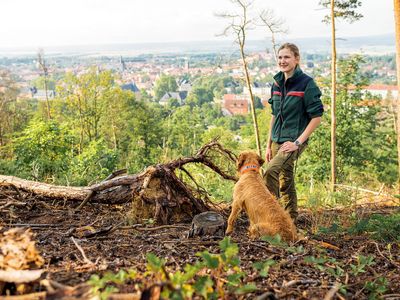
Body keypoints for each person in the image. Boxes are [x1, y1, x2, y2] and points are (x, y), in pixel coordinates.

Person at [264, 43, 324, 222]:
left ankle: (272, 218)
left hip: (294, 141)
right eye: (280, 57)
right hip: (276, 140)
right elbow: (274, 115)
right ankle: (290, 219)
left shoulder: (306, 83)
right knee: (285, 178)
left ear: (296, 59)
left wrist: (298, 142)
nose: (283, 61)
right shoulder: (276, 83)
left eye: (287, 57)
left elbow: (317, 117)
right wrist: (268, 145)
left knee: (270, 172)